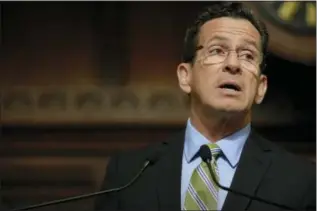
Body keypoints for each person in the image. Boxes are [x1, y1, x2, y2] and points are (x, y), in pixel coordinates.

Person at [94, 2, 316, 211]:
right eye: (217, 51)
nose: (233, 64)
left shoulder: (301, 180)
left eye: (247, 55)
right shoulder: (128, 174)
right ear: (185, 76)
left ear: (260, 87)